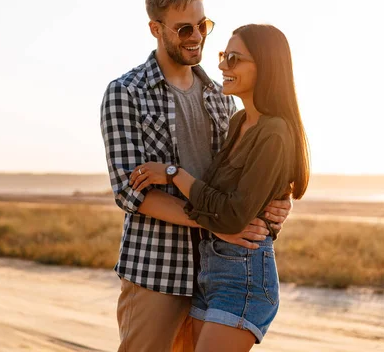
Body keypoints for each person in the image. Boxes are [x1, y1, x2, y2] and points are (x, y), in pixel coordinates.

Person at [100, 0, 292, 352]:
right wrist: (218, 224)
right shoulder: (126, 93)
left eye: (202, 26)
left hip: (219, 273)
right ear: (155, 29)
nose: (196, 37)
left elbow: (238, 182)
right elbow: (131, 194)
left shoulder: (222, 98)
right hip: (157, 272)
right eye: (183, 28)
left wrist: (273, 206)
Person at [129, 24, 311, 350]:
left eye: (234, 59)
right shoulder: (239, 121)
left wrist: (173, 174)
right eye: (223, 56)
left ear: (266, 67)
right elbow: (217, 199)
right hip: (209, 271)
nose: (223, 66)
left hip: (243, 278)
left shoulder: (275, 132)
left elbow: (231, 216)